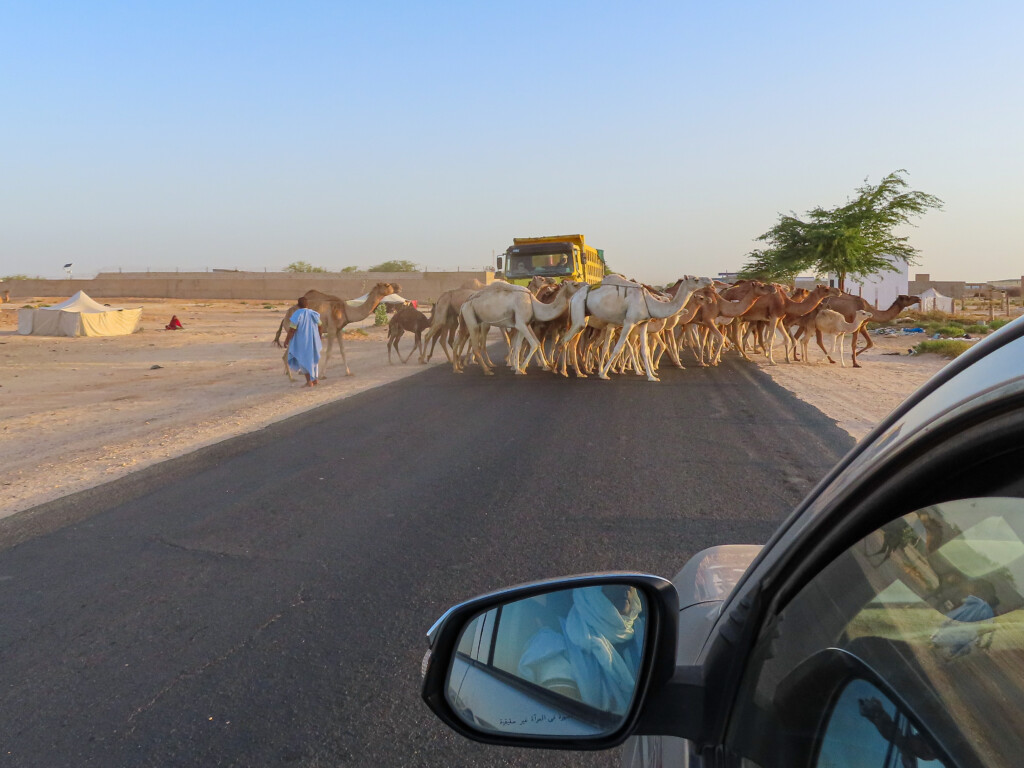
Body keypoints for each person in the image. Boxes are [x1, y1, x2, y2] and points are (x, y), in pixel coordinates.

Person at [517, 585, 645, 714]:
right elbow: (565, 722)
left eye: (630, 583)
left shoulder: (647, 632)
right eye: (615, 581)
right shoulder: (553, 644)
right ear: (590, 590)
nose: (627, 587)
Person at [283, 296, 323, 387]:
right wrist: (319, 337)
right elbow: (320, 325)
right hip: (313, 341)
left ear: (298, 305)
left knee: (303, 360)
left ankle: (309, 381)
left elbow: (292, 329)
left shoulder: (297, 314)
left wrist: (286, 340)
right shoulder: (313, 313)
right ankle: (315, 380)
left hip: (302, 342)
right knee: (313, 360)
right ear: (307, 304)